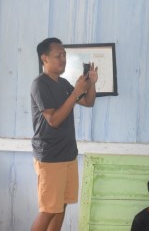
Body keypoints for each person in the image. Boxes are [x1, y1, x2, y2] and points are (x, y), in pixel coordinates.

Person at [30, 37, 98, 231]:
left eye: (64, 55)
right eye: (57, 55)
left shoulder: (63, 83)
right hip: (50, 157)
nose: (63, 59)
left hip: (68, 154)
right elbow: (53, 120)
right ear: (44, 58)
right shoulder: (40, 84)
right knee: (49, 210)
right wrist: (76, 92)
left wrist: (91, 84)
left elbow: (88, 102)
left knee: (61, 207)